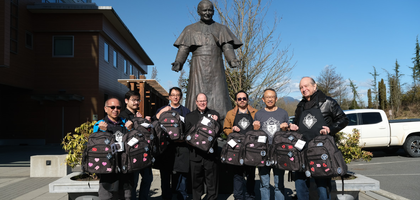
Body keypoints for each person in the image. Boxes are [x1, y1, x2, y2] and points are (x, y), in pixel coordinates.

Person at [172, 0, 243, 121]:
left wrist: (232, 60)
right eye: (204, 10)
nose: (207, 13)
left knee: (219, 94)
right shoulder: (190, 29)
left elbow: (227, 46)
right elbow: (184, 48)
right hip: (198, 66)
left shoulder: (221, 29)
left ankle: (221, 122)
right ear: (199, 12)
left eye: (210, 10)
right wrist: (179, 62)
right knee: (197, 91)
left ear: (214, 12)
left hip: (216, 65)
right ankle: (194, 121)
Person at [291, 77, 349, 200]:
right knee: (300, 185)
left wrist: (330, 129)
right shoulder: (300, 106)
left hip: (321, 152)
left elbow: (344, 119)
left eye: (306, 86)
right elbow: (297, 123)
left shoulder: (328, 102)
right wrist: (294, 127)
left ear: (315, 86)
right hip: (302, 152)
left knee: (322, 188)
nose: (304, 89)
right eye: (301, 87)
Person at [153, 87, 191, 200]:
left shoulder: (186, 111)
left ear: (180, 97)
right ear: (169, 97)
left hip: (181, 147)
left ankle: (181, 196)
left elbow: (189, 129)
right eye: (173, 95)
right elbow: (155, 123)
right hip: (165, 148)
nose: (175, 97)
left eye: (177, 95)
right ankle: (166, 196)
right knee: (165, 175)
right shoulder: (162, 109)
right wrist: (162, 112)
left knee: (181, 176)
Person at [94, 97, 134, 200]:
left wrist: (131, 130)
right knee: (107, 197)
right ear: (105, 108)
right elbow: (96, 147)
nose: (115, 110)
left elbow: (134, 143)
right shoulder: (99, 125)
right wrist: (102, 132)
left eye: (118, 107)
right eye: (112, 107)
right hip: (108, 169)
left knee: (127, 197)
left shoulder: (126, 123)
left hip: (125, 169)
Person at [252, 89, 289, 200]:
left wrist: (284, 130)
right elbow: (255, 136)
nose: (270, 99)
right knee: (264, 184)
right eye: (267, 97)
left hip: (279, 152)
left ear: (276, 98)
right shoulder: (258, 114)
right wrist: (255, 129)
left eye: (272, 97)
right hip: (263, 152)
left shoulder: (283, 113)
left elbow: (287, 136)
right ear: (263, 99)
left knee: (279, 184)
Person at [185, 93, 221, 200]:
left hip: (210, 155)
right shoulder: (190, 116)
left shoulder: (214, 114)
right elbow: (186, 134)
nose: (202, 103)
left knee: (212, 182)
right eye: (200, 101)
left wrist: (217, 122)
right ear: (196, 102)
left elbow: (220, 132)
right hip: (195, 155)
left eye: (204, 101)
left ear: (207, 101)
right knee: (196, 183)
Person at [223, 90, 258, 200]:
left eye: (244, 98)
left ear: (247, 99)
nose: (242, 100)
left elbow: (260, 129)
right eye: (239, 99)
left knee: (251, 175)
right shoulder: (230, 113)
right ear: (236, 101)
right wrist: (232, 130)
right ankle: (238, 197)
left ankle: (250, 196)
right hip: (236, 149)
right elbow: (225, 128)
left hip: (251, 148)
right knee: (237, 175)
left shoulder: (255, 112)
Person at [119, 91, 153, 200]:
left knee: (148, 178)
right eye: (133, 100)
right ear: (126, 101)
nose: (136, 102)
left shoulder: (138, 114)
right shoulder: (122, 116)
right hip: (131, 154)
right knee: (133, 182)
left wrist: (144, 122)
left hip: (143, 152)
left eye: (138, 100)